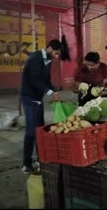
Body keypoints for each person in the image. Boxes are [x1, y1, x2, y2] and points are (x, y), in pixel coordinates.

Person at [20, 39, 62, 174]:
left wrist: (54, 91)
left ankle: (40, 158)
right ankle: (26, 164)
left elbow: (47, 79)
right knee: (31, 132)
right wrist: (49, 92)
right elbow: (35, 80)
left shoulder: (47, 60)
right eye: (56, 53)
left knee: (40, 130)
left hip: (38, 98)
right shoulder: (35, 58)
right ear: (49, 48)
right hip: (29, 98)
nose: (56, 57)